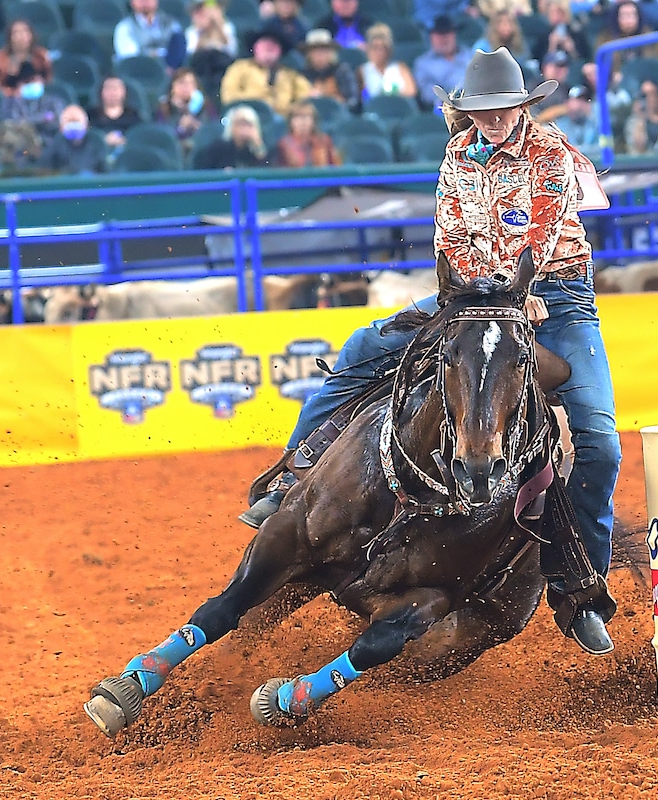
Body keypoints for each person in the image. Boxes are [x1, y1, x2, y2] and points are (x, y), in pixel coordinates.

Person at [240, 47, 619, 656]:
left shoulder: (552, 155)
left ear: (524, 106)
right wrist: (477, 301)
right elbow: (452, 238)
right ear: (468, 111)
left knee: (598, 439)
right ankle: (293, 475)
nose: (493, 119)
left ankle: (579, 588)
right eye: (483, 110)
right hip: (473, 298)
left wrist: (519, 296)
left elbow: (544, 235)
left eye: (503, 108)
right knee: (365, 345)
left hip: (556, 299)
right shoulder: (457, 158)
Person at [219, 29, 312, 117]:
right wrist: (258, 102)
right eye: (264, 43)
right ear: (255, 47)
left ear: (280, 50)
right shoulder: (239, 68)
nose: (269, 46)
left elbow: (305, 98)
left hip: (281, 121)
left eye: (274, 44)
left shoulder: (291, 75)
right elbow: (229, 97)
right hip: (246, 117)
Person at [412, 15, 474, 110]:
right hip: (444, 108)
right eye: (439, 34)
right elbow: (427, 94)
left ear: (454, 34)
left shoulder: (470, 56)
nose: (443, 38)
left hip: (474, 102)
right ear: (431, 37)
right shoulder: (423, 64)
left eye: (447, 33)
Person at [156, 67, 217, 154]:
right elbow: (162, 135)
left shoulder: (207, 106)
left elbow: (214, 131)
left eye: (190, 83)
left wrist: (196, 126)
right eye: (181, 83)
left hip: (203, 149)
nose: (186, 87)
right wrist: (181, 128)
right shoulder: (164, 107)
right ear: (172, 87)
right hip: (173, 151)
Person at [185, 0, 238, 101]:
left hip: (222, 65)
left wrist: (217, 24)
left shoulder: (227, 27)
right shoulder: (192, 31)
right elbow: (192, 54)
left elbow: (231, 49)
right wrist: (202, 31)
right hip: (201, 66)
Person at [0, 65, 65, 144]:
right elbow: (14, 124)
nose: (31, 84)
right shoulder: (11, 103)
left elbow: (57, 123)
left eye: (34, 80)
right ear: (19, 85)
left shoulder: (54, 102)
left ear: (42, 81)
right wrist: (43, 118)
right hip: (21, 143)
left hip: (48, 142)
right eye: (27, 82)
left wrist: (28, 121)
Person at [192, 102, 270, 168]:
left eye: (248, 125)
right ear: (231, 127)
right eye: (240, 124)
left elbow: (267, 173)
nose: (244, 129)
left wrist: (258, 147)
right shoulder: (219, 148)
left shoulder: (262, 148)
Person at [0, 18, 51, 98]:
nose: (21, 36)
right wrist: (15, 92)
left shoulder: (41, 56)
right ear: (9, 37)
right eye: (16, 32)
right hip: (10, 100)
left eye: (25, 31)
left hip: (39, 98)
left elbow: (49, 82)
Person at [113, 0, 187, 69]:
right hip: (139, 71)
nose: (145, 1)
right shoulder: (125, 27)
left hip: (170, 70)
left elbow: (179, 50)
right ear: (132, 2)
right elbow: (130, 57)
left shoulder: (172, 23)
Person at [300, 28, 361, 112]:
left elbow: (353, 101)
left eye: (323, 50)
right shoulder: (303, 75)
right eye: (315, 51)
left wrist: (337, 103)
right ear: (309, 54)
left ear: (331, 52)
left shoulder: (342, 72)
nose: (320, 55)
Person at [38, 105, 108, 175]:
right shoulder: (55, 144)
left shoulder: (97, 142)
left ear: (86, 125)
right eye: (70, 121)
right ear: (61, 127)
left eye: (76, 121)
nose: (73, 124)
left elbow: (105, 170)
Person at [357, 23, 418, 101]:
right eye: (375, 48)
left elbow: (411, 91)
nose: (380, 52)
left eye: (383, 48)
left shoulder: (400, 67)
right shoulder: (362, 71)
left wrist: (392, 92)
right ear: (369, 49)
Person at [272, 99, 341, 166]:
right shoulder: (283, 144)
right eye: (298, 117)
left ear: (314, 121)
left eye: (307, 116)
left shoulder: (324, 141)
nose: (303, 121)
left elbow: (335, 167)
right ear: (290, 122)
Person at [87, 76, 145, 155]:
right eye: (108, 88)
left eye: (116, 88)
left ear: (124, 92)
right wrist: (103, 140)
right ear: (101, 92)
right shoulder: (90, 115)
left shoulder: (134, 116)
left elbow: (140, 138)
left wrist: (124, 141)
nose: (112, 92)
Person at [552, 83, 600, 151]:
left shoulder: (597, 124)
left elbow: (603, 148)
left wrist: (579, 150)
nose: (577, 105)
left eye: (582, 101)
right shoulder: (560, 126)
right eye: (573, 101)